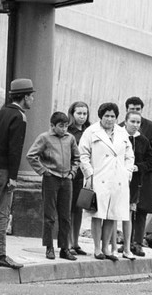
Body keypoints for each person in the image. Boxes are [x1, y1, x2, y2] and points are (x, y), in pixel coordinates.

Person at [0, 78, 35, 269]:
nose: (32, 100)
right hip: (4, 171)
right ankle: (0, 254)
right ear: (25, 96)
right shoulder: (19, 117)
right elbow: (15, 149)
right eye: (31, 96)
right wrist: (12, 176)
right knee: (2, 213)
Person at [79, 102, 134, 261]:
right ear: (101, 116)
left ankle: (106, 248)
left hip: (118, 179)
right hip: (99, 178)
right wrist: (89, 174)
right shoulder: (91, 132)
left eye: (113, 116)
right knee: (98, 213)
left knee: (112, 214)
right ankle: (97, 249)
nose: (110, 119)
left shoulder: (122, 133)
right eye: (107, 116)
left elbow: (129, 155)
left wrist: (127, 171)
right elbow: (83, 154)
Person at [26, 111, 80, 261]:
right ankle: (49, 247)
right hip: (51, 179)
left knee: (65, 216)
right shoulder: (45, 138)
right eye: (60, 126)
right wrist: (44, 171)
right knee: (49, 215)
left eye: (66, 126)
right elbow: (31, 155)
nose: (64, 129)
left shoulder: (70, 138)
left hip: (67, 180)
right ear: (52, 126)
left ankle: (64, 248)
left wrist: (72, 173)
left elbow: (77, 158)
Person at [123, 97, 152, 256]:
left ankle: (137, 243)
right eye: (131, 109)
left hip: (144, 177)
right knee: (125, 210)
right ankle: (126, 243)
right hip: (125, 177)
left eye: (137, 109)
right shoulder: (120, 127)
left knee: (140, 211)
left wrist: (144, 169)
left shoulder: (151, 127)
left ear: (142, 109)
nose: (135, 113)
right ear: (126, 110)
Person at [113, 110, 152, 260]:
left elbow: (151, 160)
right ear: (125, 121)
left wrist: (139, 167)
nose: (135, 125)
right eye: (133, 122)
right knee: (113, 212)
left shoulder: (143, 140)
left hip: (134, 182)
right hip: (116, 179)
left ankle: (130, 244)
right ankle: (112, 244)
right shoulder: (118, 136)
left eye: (138, 122)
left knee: (129, 214)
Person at [67, 101, 91, 256]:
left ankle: (76, 242)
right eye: (79, 113)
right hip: (72, 173)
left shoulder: (90, 131)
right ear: (72, 113)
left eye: (85, 113)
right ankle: (68, 242)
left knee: (79, 209)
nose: (82, 117)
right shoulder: (68, 131)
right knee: (69, 210)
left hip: (85, 175)